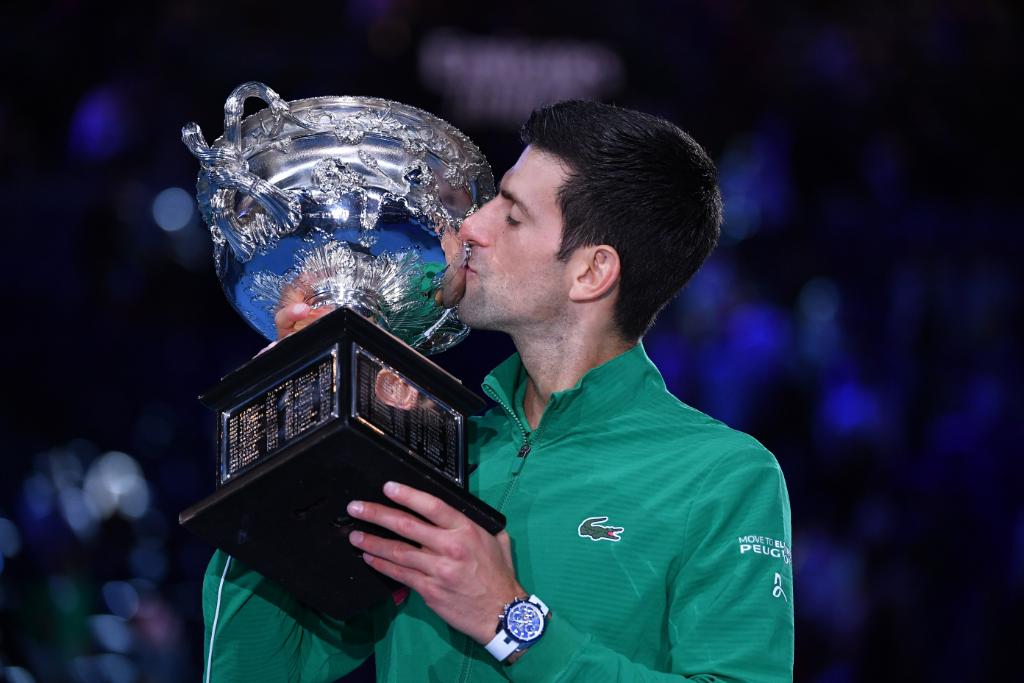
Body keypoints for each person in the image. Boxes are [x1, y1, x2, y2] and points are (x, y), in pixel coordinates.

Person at [202, 100, 794, 682]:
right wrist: (291, 417)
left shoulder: (721, 476)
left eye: (512, 216)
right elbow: (257, 670)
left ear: (591, 272)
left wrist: (508, 618)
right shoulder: (434, 451)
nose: (471, 228)